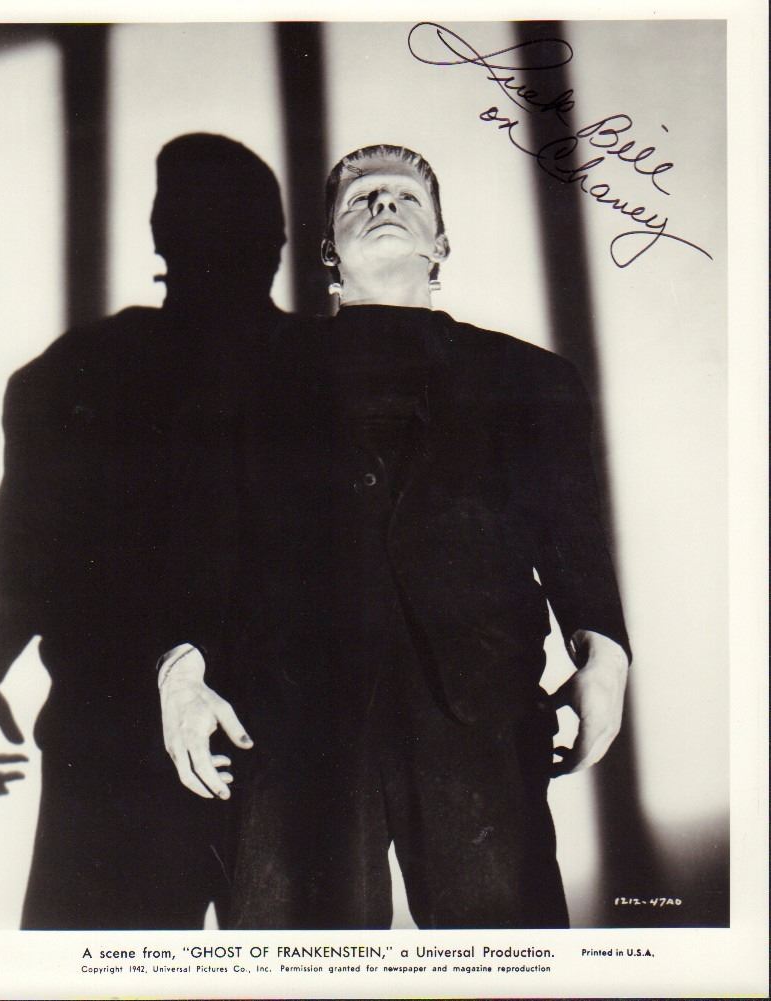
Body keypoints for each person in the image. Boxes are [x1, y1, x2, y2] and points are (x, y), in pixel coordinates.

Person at [158, 144, 631, 929]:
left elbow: (572, 535)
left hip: (477, 711)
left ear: (440, 243)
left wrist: (604, 655)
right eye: (361, 199)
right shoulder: (245, 376)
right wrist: (179, 670)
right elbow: (205, 537)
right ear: (326, 251)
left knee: (507, 962)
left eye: (405, 197)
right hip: (292, 717)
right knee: (293, 968)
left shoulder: (530, 378)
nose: (383, 205)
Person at [0, 133, 287, 929]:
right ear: (159, 233)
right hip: (113, 751)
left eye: (233, 215)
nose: (212, 237)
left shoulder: (326, 370)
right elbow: (20, 556)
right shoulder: (70, 377)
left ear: (277, 238)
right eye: (189, 213)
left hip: (290, 755)